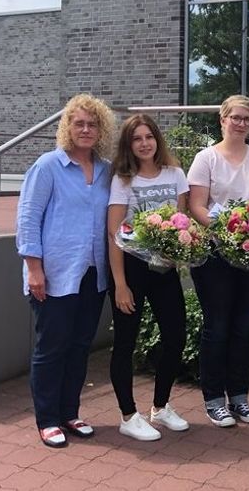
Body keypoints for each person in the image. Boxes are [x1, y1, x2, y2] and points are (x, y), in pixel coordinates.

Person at [16, 93, 116, 448]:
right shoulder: (48, 167)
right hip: (56, 273)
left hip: (94, 273)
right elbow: (28, 219)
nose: (86, 129)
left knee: (79, 346)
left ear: (100, 130)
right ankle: (47, 419)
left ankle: (69, 412)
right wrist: (34, 269)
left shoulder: (106, 170)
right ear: (67, 128)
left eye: (93, 124)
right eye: (79, 123)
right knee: (52, 348)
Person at [187, 95, 249, 428]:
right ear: (222, 120)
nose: (241, 123)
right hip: (214, 254)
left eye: (246, 119)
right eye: (235, 117)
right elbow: (196, 206)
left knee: (242, 326)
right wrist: (230, 230)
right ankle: (214, 400)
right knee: (218, 327)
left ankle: (239, 397)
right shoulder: (205, 158)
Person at [107, 114, 190, 441]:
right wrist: (120, 284)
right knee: (125, 343)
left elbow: (182, 222)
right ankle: (128, 415)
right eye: (136, 139)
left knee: (176, 336)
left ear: (157, 139)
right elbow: (113, 234)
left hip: (164, 268)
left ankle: (160, 406)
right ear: (129, 145)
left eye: (148, 137)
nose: (144, 143)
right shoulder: (122, 179)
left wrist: (180, 253)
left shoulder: (175, 174)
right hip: (131, 268)